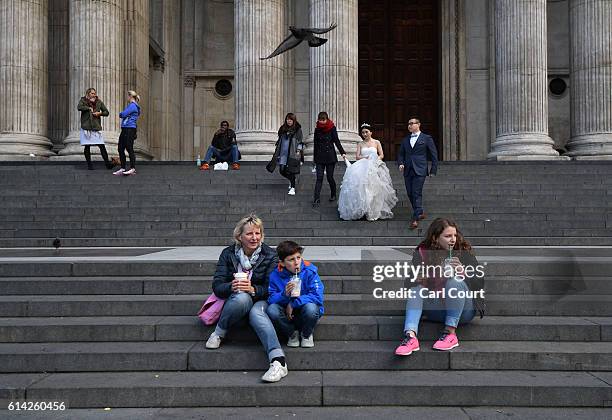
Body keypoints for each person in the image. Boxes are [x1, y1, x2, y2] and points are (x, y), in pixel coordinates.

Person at [205, 215, 288, 383]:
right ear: (239, 236)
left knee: (257, 313)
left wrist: (253, 289)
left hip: (261, 299)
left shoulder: (270, 255)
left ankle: (278, 361)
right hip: (236, 303)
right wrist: (231, 286)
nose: (255, 237)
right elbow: (217, 286)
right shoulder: (228, 254)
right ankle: (219, 333)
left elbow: (271, 288)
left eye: (258, 233)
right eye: (249, 234)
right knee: (242, 298)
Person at [394, 218, 485, 356]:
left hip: (463, 311)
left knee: (455, 281)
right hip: (436, 308)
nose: (453, 240)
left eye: (454, 235)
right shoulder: (423, 252)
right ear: (436, 238)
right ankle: (410, 337)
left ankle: (450, 333)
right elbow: (408, 284)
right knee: (416, 289)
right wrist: (417, 278)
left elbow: (480, 283)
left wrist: (464, 273)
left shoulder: (462, 250)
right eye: (448, 236)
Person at [267, 241, 324, 348]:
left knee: (311, 309)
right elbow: (271, 299)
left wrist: (294, 304)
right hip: (287, 315)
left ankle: (306, 334)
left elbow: (317, 297)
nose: (297, 262)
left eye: (298, 257)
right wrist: (284, 294)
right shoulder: (275, 275)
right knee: (272, 310)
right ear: (282, 263)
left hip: (305, 311)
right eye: (291, 260)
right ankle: (292, 334)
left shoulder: (309, 271)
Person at [338, 123, 398, 221]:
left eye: (366, 132)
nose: (364, 134)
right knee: (363, 188)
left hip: (374, 165)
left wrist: (375, 159)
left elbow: (381, 155)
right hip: (363, 166)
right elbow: (357, 157)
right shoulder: (360, 144)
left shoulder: (376, 142)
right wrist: (366, 158)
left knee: (374, 188)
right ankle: (363, 209)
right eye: (363, 133)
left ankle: (372, 210)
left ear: (371, 132)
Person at [397, 118, 438, 229]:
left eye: (412, 123)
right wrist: (401, 163)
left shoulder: (426, 138)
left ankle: (415, 218)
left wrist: (433, 169)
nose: (409, 126)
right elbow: (401, 154)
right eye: (408, 124)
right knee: (410, 192)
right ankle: (419, 212)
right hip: (408, 169)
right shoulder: (405, 140)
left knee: (416, 192)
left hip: (420, 169)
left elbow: (434, 154)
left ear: (418, 124)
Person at [312, 112, 346, 207]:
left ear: (327, 119)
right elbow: (315, 144)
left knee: (329, 177)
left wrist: (342, 152)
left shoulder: (332, 128)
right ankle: (316, 198)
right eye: (320, 120)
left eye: (323, 120)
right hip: (319, 157)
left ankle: (333, 194)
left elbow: (336, 141)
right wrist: (314, 159)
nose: (322, 122)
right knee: (319, 178)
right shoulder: (317, 129)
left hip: (330, 157)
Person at [77, 88, 113, 170]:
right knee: (87, 146)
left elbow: (106, 112)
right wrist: (88, 108)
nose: (94, 94)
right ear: (88, 94)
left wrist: (99, 113)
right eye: (92, 93)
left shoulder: (99, 102)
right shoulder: (83, 100)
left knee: (101, 146)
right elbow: (79, 107)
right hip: (86, 127)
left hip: (96, 127)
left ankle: (107, 164)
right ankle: (89, 165)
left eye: (95, 93)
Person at [270, 113, 303, 196]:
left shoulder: (297, 129)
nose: (289, 121)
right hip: (282, 154)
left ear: (294, 120)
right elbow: (279, 141)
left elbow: (300, 141)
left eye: (291, 119)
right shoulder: (282, 129)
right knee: (282, 170)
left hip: (292, 153)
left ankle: (293, 188)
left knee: (291, 171)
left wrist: (298, 151)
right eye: (288, 119)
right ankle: (292, 180)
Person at [113, 90, 141, 176]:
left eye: (127, 96)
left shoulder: (133, 106)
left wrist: (122, 113)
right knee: (120, 148)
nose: (127, 98)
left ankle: (132, 168)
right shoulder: (131, 106)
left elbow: (123, 114)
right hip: (125, 128)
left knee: (129, 148)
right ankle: (123, 168)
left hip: (130, 128)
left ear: (130, 96)